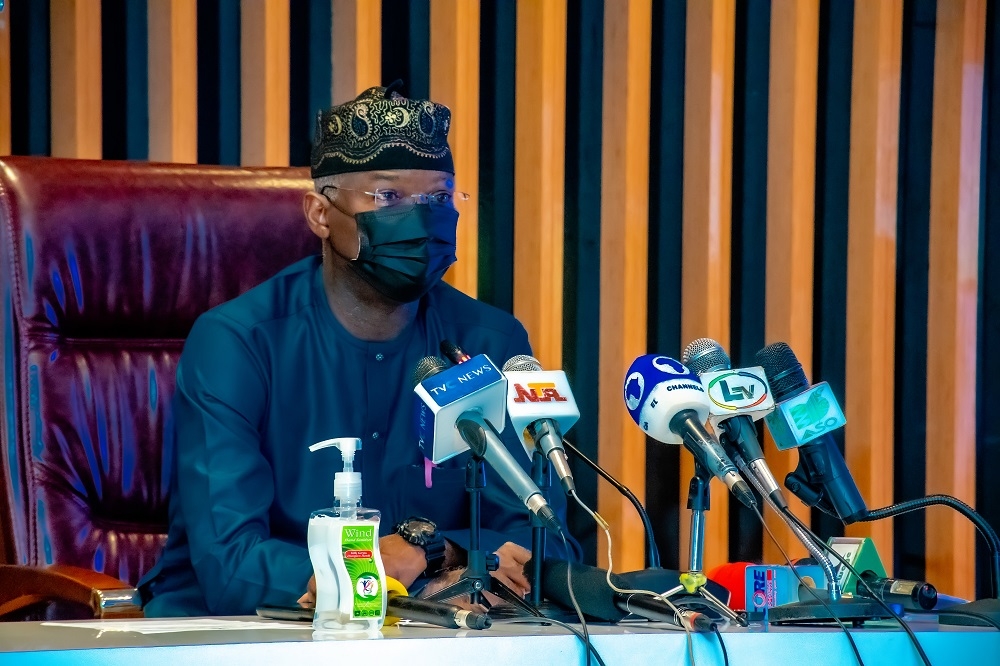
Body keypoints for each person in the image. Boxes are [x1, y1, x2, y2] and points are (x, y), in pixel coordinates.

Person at [139, 82, 575, 617]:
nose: (419, 220)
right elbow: (231, 564)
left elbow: (543, 537)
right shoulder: (237, 343)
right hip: (244, 633)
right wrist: (371, 569)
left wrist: (435, 553)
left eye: (438, 199)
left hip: (430, 637)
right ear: (320, 214)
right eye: (388, 197)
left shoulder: (489, 343)